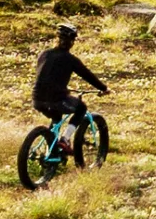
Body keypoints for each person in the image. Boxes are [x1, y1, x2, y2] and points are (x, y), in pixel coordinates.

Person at [32, 23, 108, 153]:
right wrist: (104, 88)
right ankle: (65, 139)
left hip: (37, 99)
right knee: (81, 108)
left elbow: (47, 75)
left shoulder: (44, 54)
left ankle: (51, 152)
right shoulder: (70, 59)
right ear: (72, 42)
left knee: (56, 118)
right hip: (56, 100)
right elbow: (87, 75)